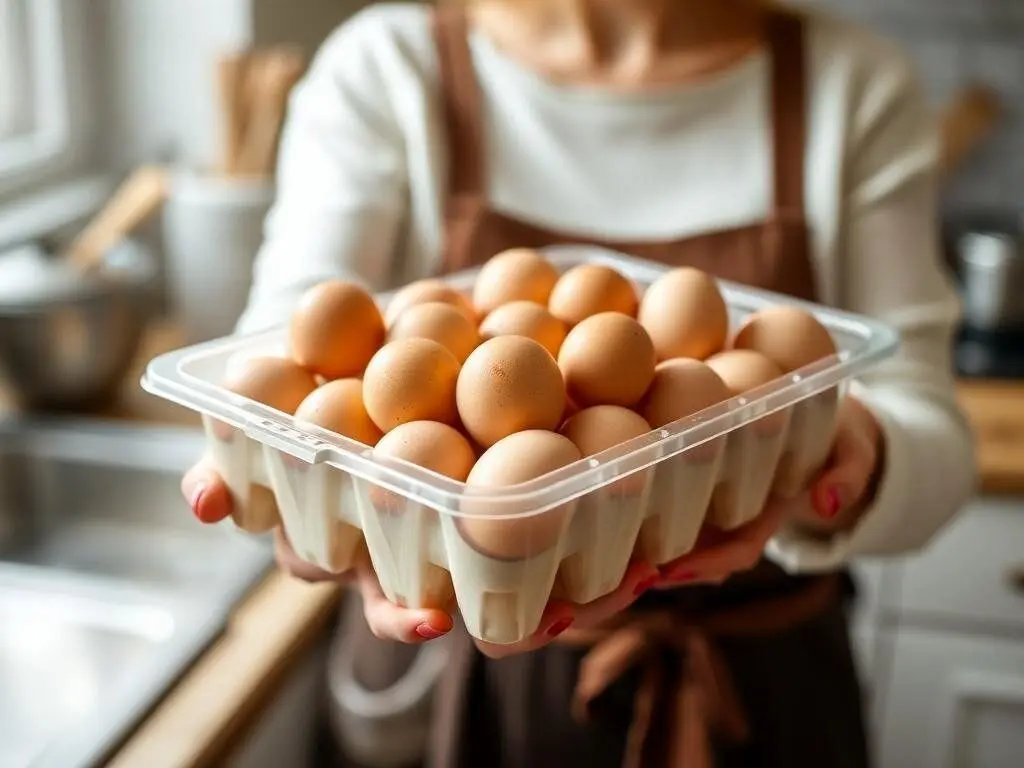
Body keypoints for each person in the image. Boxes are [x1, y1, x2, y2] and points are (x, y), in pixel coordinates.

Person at [182, 0, 976, 765]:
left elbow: (932, 437)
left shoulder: (851, 83)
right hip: (472, 674)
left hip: (767, 678)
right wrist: (313, 504)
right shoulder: (387, 67)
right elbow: (290, 365)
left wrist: (836, 455)